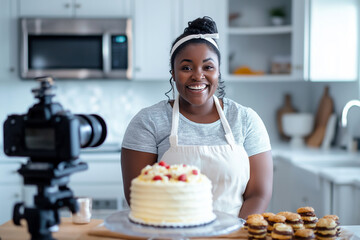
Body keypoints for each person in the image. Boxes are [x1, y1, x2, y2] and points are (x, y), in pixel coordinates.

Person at [121, 16, 273, 219]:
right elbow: (138, 197)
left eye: (208, 67)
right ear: (173, 73)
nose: (197, 76)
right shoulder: (148, 122)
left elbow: (258, 194)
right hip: (169, 232)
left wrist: (235, 232)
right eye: (186, 68)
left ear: (218, 72)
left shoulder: (246, 119)